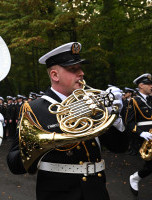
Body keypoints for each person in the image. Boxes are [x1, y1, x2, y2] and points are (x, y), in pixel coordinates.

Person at [7, 42, 129, 200]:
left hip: (97, 190)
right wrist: (43, 145)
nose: (81, 73)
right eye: (73, 69)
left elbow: (120, 147)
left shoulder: (92, 102)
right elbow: (14, 163)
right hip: (58, 193)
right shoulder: (34, 109)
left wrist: (115, 116)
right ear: (54, 75)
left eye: (81, 68)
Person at [126, 73, 152, 196]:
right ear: (141, 85)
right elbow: (129, 123)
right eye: (149, 84)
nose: (151, 86)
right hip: (145, 138)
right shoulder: (134, 101)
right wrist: (141, 133)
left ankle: (136, 177)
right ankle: (135, 177)